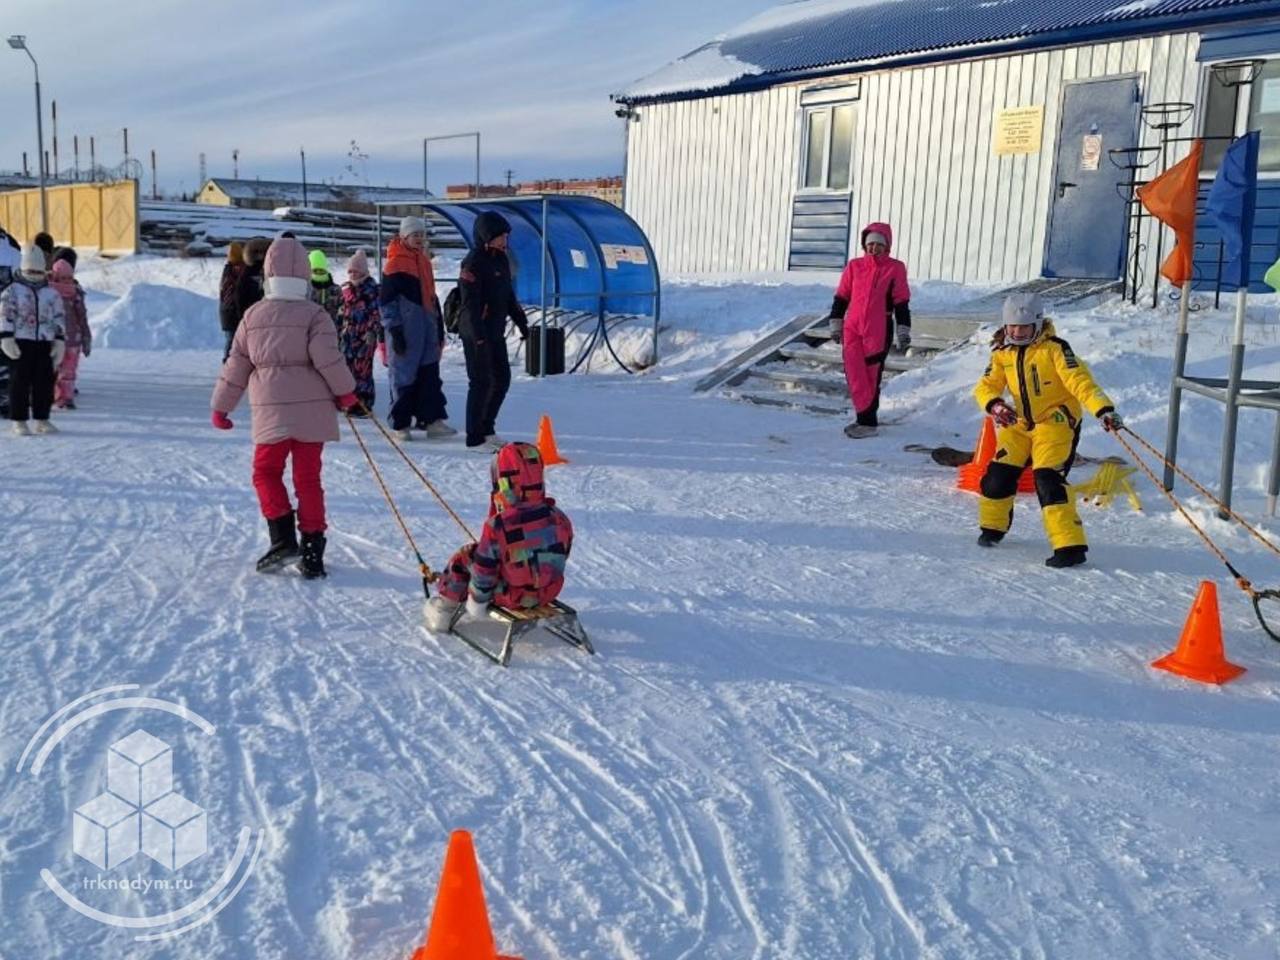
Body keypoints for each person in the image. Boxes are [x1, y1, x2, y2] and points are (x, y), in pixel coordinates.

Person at [211, 237, 358, 579]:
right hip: (312, 414)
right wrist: (347, 393)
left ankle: (282, 540)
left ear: (268, 273)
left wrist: (221, 406)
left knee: (266, 473)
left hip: (271, 412)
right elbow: (329, 359)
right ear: (305, 274)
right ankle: (312, 552)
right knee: (308, 479)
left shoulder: (253, 316)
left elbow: (236, 364)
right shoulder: (316, 315)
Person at [973, 292, 1122, 568]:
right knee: (997, 476)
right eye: (1012, 327)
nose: (1017, 333)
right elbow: (986, 386)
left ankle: (1070, 546)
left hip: (1055, 423)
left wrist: (1104, 410)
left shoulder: (1055, 349)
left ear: (1038, 324)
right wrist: (995, 405)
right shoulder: (1001, 354)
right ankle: (992, 528)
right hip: (1017, 424)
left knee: (1047, 478)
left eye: (1024, 327)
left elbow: (1081, 383)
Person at [423, 441, 573, 631]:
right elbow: (563, 552)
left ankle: (445, 609)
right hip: (548, 591)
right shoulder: (558, 517)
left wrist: (478, 602)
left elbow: (484, 572)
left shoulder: (500, 525)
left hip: (510, 596)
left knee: (466, 556)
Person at [827, 222, 911, 439]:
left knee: (871, 375)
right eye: (871, 244)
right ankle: (864, 417)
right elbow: (842, 296)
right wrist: (836, 323)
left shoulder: (895, 268)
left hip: (879, 329)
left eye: (879, 244)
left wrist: (903, 328)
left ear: (887, 246)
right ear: (865, 244)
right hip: (852, 327)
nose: (875, 248)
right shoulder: (854, 266)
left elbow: (901, 301)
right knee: (854, 373)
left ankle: (867, 422)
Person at [457, 211, 529, 451]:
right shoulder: (473, 262)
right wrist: (477, 335)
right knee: (480, 382)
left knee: (502, 380)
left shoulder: (501, 259)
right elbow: (470, 303)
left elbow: (508, 295)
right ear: (488, 236)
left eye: (506, 236)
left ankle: (487, 428)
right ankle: (474, 437)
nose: (505, 240)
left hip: (495, 331)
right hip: (476, 331)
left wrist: (521, 321)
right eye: (501, 236)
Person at [382, 216, 453, 440]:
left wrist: (438, 326)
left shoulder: (424, 261)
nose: (420, 239)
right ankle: (400, 424)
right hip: (407, 328)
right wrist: (394, 330)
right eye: (415, 234)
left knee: (430, 375)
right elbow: (386, 302)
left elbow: (431, 296)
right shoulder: (395, 263)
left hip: (427, 326)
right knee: (403, 375)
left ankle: (431, 420)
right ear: (404, 236)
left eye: (422, 234)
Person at [1, 245, 65, 435]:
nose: (35, 275)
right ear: (22, 269)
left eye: (39, 271)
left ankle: (42, 419)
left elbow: (59, 317)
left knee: (44, 383)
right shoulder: (12, 291)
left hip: (44, 343)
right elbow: (5, 315)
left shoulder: (51, 294)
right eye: (31, 271)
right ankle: (19, 420)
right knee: (19, 383)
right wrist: (6, 338)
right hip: (20, 344)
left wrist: (59, 340)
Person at [336, 249, 382, 414]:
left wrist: (373, 331)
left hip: (365, 337)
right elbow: (341, 312)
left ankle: (363, 402)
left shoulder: (372, 290)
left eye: (356, 271)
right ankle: (348, 400)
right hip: (348, 336)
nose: (353, 275)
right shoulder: (346, 290)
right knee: (346, 368)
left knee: (362, 370)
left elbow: (377, 313)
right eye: (350, 271)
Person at [48, 257, 90, 409]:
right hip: (53, 339)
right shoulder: (48, 293)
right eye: (63, 278)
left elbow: (82, 316)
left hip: (73, 339)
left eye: (69, 278)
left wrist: (86, 337)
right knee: (52, 369)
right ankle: (51, 394)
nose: (66, 281)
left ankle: (66, 398)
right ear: (56, 277)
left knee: (69, 371)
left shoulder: (75, 293)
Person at [233, 236, 271, 339]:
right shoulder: (271, 272)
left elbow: (239, 296)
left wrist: (242, 317)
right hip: (267, 318)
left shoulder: (247, 272)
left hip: (251, 318)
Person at [218, 242, 246, 362]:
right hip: (232, 310)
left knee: (231, 338)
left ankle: (229, 360)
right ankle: (229, 360)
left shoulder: (227, 270)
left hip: (226, 310)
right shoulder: (238, 270)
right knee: (232, 338)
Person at [308, 249, 342, 326]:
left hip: (332, 332)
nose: (319, 273)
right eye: (315, 271)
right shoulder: (305, 290)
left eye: (321, 270)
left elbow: (342, 312)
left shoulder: (336, 290)